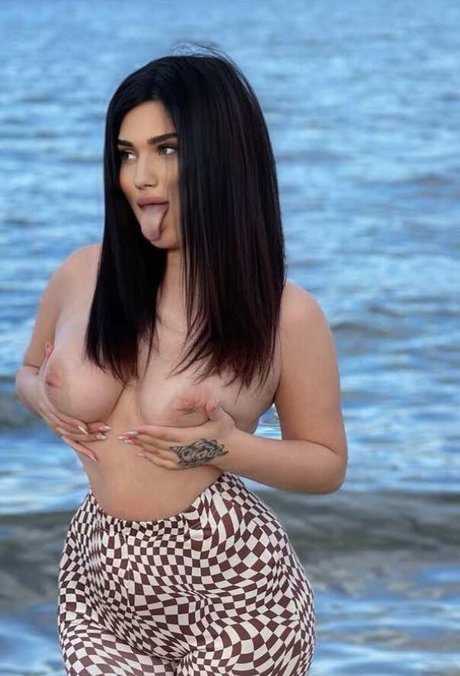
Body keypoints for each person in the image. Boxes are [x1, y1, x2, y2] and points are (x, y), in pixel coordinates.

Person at [15, 49, 347, 676]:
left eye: (166, 150)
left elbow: (327, 465)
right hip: (99, 583)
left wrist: (224, 447)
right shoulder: (82, 273)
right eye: (126, 153)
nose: (140, 176)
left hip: (235, 596)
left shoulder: (285, 314)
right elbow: (29, 372)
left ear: (222, 158)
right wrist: (46, 403)